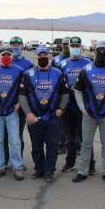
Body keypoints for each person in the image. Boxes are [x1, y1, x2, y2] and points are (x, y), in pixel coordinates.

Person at [72, 40, 105, 183]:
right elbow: (77, 90)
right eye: (99, 51)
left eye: (104, 51)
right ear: (95, 52)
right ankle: (82, 171)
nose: (102, 53)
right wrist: (82, 108)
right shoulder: (86, 69)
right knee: (86, 144)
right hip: (89, 114)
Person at [19, 45, 69, 182]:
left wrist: (61, 109)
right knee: (36, 146)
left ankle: (49, 171)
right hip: (34, 117)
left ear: (49, 56)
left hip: (53, 116)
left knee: (52, 146)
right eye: (40, 55)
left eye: (45, 55)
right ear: (36, 56)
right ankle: (39, 169)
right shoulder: (28, 74)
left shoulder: (58, 73)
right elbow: (22, 95)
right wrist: (28, 113)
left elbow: (65, 93)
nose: (43, 57)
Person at [0, 46, 25, 180]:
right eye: (3, 54)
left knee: (15, 140)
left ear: (12, 56)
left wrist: (19, 104)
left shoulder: (19, 71)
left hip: (12, 111)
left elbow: (23, 90)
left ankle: (17, 167)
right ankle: (0, 166)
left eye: (8, 54)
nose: (6, 57)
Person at [58, 36, 94, 173]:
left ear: (81, 47)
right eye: (72, 46)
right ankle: (70, 162)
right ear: (69, 47)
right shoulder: (63, 64)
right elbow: (59, 85)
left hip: (83, 107)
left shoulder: (88, 63)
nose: (74, 48)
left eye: (76, 46)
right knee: (70, 137)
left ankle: (90, 164)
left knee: (85, 137)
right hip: (68, 106)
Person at [8, 36, 33, 159]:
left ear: (22, 46)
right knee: (4, 135)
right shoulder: (4, 61)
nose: (15, 46)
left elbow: (31, 87)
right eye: (13, 44)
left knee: (18, 135)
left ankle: (18, 161)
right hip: (5, 105)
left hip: (20, 105)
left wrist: (22, 103)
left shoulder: (29, 64)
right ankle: (5, 160)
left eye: (18, 44)